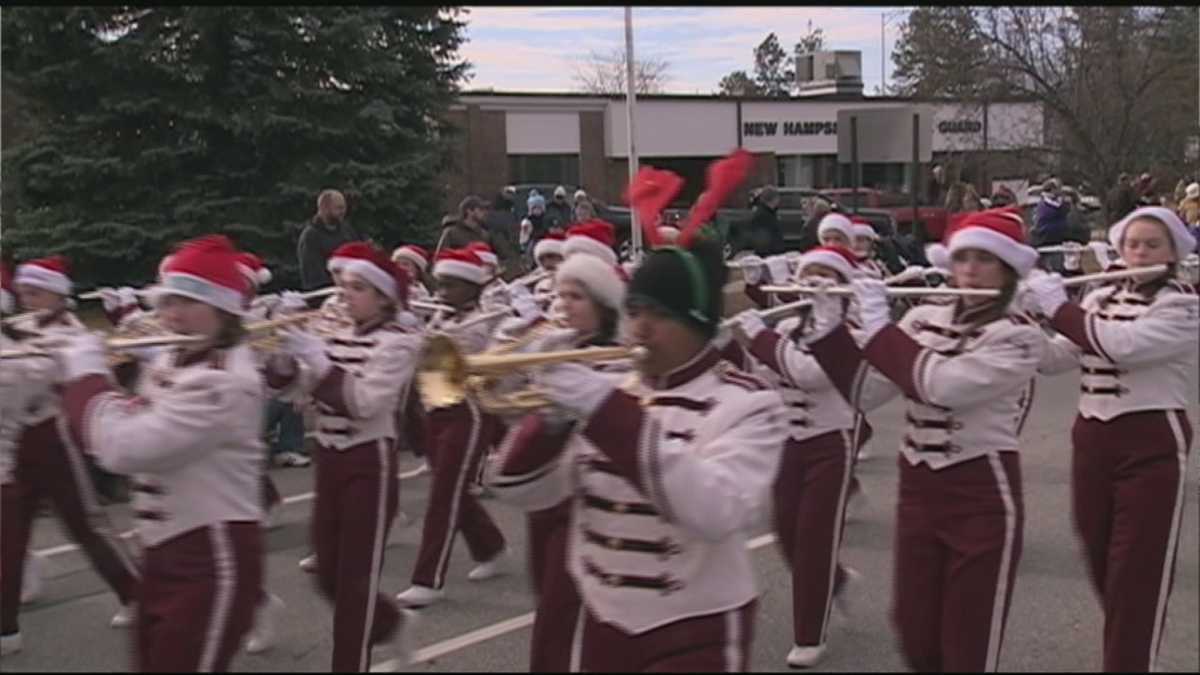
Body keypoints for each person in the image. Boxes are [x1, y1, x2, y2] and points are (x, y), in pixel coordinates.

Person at [489, 233, 787, 672]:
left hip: (695, 627)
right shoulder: (611, 388)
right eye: (634, 311)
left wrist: (605, 410)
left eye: (660, 314)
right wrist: (549, 420)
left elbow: (715, 509)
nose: (640, 328)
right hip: (604, 619)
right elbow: (521, 491)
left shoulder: (748, 403)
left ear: (698, 324)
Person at [807, 208, 1044, 671]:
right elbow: (866, 393)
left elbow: (941, 387)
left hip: (980, 491)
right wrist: (828, 326)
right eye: (963, 259)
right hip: (918, 490)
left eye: (985, 260)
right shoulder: (924, 319)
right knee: (913, 629)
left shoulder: (1018, 337)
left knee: (967, 640)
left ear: (1009, 271)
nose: (971, 270)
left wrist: (879, 328)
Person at [54, 236, 267, 671]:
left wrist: (87, 379)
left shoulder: (224, 383)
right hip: (161, 555)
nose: (172, 314)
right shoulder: (174, 360)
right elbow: (133, 417)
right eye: (168, 300)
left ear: (225, 311)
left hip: (212, 560)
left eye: (189, 302)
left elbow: (123, 447)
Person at [1027, 206, 1197, 672]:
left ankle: (1129, 660)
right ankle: (1133, 644)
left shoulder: (1182, 305)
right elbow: (1058, 358)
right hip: (1092, 440)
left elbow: (1122, 347)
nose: (1139, 252)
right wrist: (1017, 318)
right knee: (1099, 552)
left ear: (1172, 254)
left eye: (1151, 245)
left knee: (1135, 568)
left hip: (1150, 442)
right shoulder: (1100, 296)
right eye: (1133, 244)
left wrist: (1056, 306)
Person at [266, 243, 420, 671]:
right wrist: (281, 356)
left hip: (368, 461)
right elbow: (292, 392)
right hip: (330, 460)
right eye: (344, 286)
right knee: (327, 573)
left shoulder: (401, 342)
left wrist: (316, 360)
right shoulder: (336, 333)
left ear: (384, 296)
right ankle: (390, 623)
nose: (344, 294)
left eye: (357, 288)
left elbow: (365, 402)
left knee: (354, 583)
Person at [727, 246, 867, 668]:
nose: (815, 283)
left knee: (814, 538)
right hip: (787, 441)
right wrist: (729, 347)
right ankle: (838, 582)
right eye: (809, 275)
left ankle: (811, 634)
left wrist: (762, 339)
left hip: (832, 438)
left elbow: (810, 375)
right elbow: (761, 375)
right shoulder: (787, 324)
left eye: (826, 275)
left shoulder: (853, 333)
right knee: (786, 531)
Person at [489, 251, 629, 671]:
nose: (562, 303)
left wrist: (565, 401)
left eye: (576, 297)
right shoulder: (555, 345)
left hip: (591, 502)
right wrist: (512, 343)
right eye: (561, 294)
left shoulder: (625, 357)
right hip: (542, 493)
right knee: (546, 603)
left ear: (604, 305)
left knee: (559, 612)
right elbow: (503, 404)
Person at [1, 256, 139, 655]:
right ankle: (7, 622)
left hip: (53, 438)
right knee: (10, 529)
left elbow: (56, 380)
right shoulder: (21, 328)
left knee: (85, 524)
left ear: (60, 294)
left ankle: (134, 592)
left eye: (36, 293)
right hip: (14, 442)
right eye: (24, 293)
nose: (28, 300)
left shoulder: (71, 332)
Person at [396, 249, 510, 609]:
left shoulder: (487, 321)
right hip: (436, 409)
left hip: (469, 412)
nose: (441, 292)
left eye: (450, 286)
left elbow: (472, 362)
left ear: (472, 287)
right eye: (440, 284)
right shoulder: (442, 317)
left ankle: (428, 579)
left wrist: (426, 343)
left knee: (444, 493)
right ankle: (491, 547)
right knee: (452, 490)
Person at [298, 189, 363, 291]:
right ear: (324, 208)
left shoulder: (346, 230)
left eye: (344, 207)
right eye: (339, 208)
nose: (343, 212)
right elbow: (313, 276)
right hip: (326, 293)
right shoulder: (311, 236)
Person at [748, 186, 783, 256]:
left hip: (773, 254)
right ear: (773, 199)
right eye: (777, 197)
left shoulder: (771, 213)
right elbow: (762, 238)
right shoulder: (762, 215)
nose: (779, 200)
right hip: (767, 255)